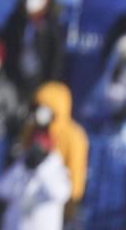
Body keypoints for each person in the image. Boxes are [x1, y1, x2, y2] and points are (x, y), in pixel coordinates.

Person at [18, 82, 88, 214]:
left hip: (52, 201)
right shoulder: (32, 129)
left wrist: (72, 202)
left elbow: (76, 170)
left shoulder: (73, 135)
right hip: (26, 197)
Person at [2, 0, 67, 102]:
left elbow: (56, 57)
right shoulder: (17, 19)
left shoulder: (52, 24)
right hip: (15, 79)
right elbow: (6, 44)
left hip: (39, 81)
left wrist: (50, 85)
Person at [0, 131, 72, 230]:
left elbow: (60, 195)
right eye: (34, 146)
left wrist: (41, 169)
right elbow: (1, 190)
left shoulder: (56, 169)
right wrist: (21, 167)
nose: (35, 150)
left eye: (39, 148)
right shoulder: (23, 166)